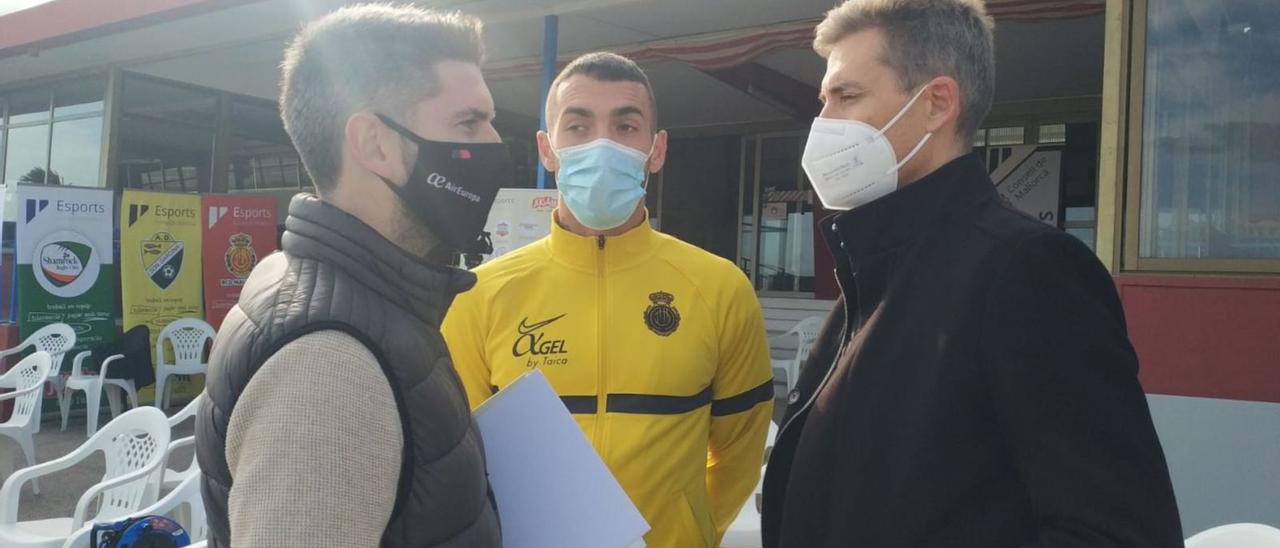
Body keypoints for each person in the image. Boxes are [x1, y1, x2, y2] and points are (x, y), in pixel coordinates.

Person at [760, 1, 1184, 546]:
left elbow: (1119, 531)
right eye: (823, 101)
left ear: (936, 103)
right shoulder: (876, 268)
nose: (822, 124)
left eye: (847, 95)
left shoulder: (1026, 271)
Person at [194, 5, 509, 547]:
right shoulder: (327, 368)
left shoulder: (357, 298)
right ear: (375, 145)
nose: (494, 143)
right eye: (469, 122)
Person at [443, 52, 775, 547]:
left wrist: (689, 533)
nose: (602, 144)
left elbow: (740, 449)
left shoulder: (720, 288)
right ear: (547, 149)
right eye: (577, 126)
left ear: (656, 150)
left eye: (625, 126)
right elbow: (464, 457)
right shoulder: (479, 296)